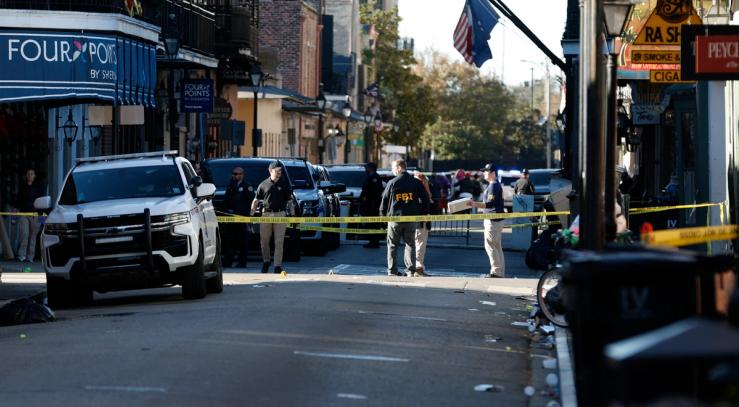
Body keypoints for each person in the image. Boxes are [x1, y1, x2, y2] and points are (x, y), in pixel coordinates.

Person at [380, 159, 430, 277]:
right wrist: (423, 213)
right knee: (410, 244)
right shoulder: (415, 182)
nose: (392, 170)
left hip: (395, 219)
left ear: (399, 168)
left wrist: (382, 217)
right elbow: (426, 198)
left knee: (392, 245)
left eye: (393, 168)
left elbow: (384, 200)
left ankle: (392, 270)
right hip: (411, 218)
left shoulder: (392, 182)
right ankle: (411, 270)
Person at [251, 161, 293, 274]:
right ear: (270, 171)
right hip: (266, 214)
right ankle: (266, 261)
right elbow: (256, 200)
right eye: (277, 170)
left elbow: (290, 201)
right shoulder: (263, 184)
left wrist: (293, 215)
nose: (279, 173)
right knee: (264, 241)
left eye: (280, 171)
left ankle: (277, 265)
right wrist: (252, 213)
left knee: (279, 241)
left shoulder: (285, 184)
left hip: (280, 214)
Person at [468, 163, 505, 278]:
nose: (484, 173)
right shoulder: (494, 185)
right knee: (496, 246)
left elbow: (489, 204)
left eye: (486, 171)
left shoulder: (493, 186)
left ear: (493, 173)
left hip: (493, 219)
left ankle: (496, 272)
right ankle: (499, 272)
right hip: (495, 219)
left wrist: (474, 204)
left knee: (490, 245)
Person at [222, 167, 254, 268]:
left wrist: (248, 218)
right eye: (235, 174)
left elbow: (251, 202)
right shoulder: (231, 185)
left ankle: (242, 262)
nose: (237, 176)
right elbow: (226, 200)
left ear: (243, 175)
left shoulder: (247, 186)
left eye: (239, 174)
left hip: (242, 217)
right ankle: (228, 261)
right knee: (230, 240)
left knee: (242, 241)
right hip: (231, 217)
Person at [14, 168, 42, 262]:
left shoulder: (38, 187)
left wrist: (42, 219)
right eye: (28, 174)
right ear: (26, 176)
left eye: (32, 174)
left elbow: (41, 203)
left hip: (34, 214)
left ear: (34, 176)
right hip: (23, 214)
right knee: (24, 234)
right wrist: (14, 214)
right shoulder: (23, 187)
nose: (30, 175)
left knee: (33, 236)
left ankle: (30, 256)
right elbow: (18, 201)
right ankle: (22, 255)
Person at [359, 162, 383, 248]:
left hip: (373, 205)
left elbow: (373, 192)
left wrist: (366, 198)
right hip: (369, 205)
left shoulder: (375, 178)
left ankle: (374, 242)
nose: (366, 169)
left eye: (367, 168)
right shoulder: (370, 177)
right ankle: (372, 241)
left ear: (371, 168)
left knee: (373, 224)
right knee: (370, 223)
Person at [414, 172, 433, 277]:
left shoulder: (424, 192)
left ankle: (417, 267)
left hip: (423, 221)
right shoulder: (418, 191)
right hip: (419, 223)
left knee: (420, 245)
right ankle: (418, 268)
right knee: (419, 245)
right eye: (425, 181)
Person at [514, 168, 537, 242]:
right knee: (531, 220)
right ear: (527, 175)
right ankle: (531, 237)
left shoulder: (517, 181)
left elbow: (515, 191)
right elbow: (533, 192)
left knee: (519, 219)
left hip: (517, 202)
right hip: (527, 203)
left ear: (522, 174)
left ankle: (519, 236)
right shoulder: (529, 182)